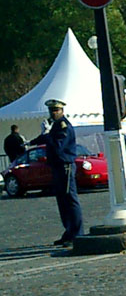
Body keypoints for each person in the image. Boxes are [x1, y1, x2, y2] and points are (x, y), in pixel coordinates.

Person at [27, 99, 82, 246]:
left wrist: (48, 135)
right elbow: (46, 138)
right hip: (57, 166)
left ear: (62, 111)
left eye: (56, 110)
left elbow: (58, 146)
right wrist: (30, 142)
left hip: (65, 165)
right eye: (51, 110)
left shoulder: (63, 126)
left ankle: (77, 234)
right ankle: (69, 231)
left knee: (70, 200)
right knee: (62, 201)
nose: (53, 113)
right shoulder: (55, 126)